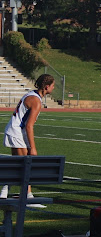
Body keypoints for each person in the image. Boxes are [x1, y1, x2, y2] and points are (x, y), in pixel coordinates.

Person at [2, 74, 55, 205]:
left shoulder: (32, 94)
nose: (54, 88)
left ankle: (4, 192)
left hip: (15, 131)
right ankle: (27, 195)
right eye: (53, 85)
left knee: (17, 165)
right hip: (17, 132)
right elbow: (29, 125)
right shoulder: (36, 101)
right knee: (26, 165)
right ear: (47, 86)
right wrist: (33, 147)